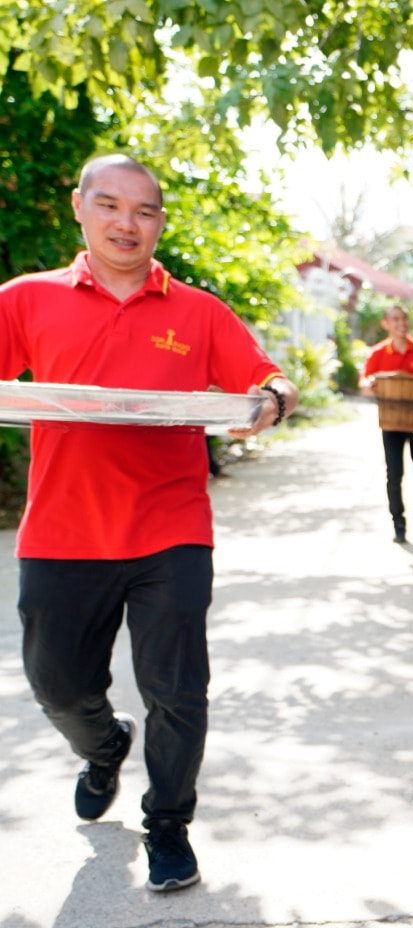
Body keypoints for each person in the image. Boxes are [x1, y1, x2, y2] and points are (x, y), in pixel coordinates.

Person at [0, 153, 300, 892]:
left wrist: (270, 404)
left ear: (161, 221)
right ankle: (103, 748)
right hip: (62, 532)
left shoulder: (197, 312)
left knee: (177, 690)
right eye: (110, 206)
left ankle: (169, 824)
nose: (126, 224)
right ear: (80, 207)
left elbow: (270, 380)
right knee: (57, 684)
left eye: (144, 211)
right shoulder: (26, 300)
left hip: (171, 530)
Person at [361, 305, 413, 543]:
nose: (401, 323)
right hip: (391, 423)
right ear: (386, 324)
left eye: (404, 319)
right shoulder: (378, 353)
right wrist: (369, 385)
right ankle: (398, 523)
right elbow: (364, 381)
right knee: (394, 475)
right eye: (395, 319)